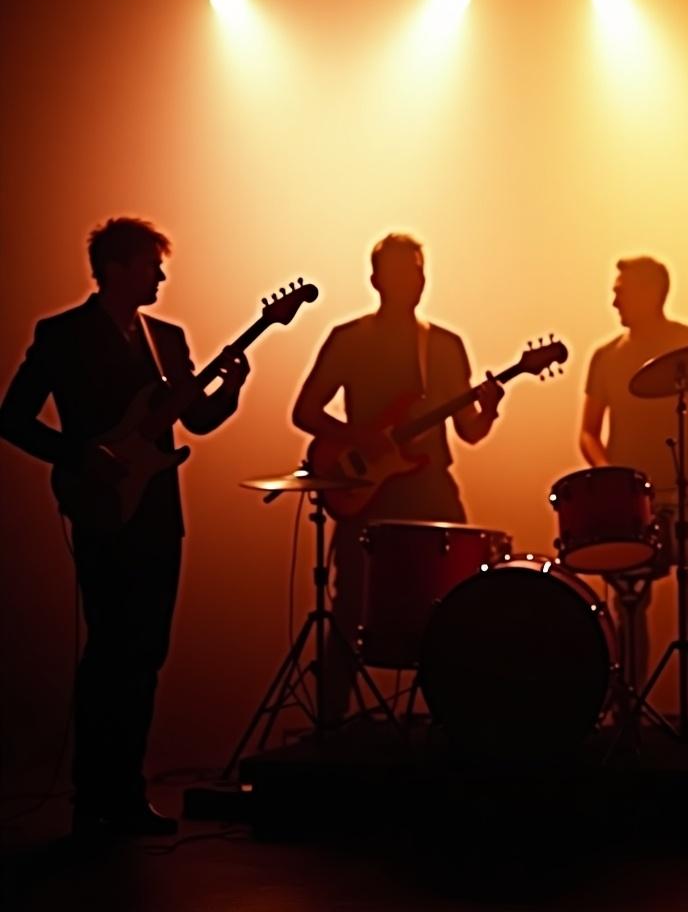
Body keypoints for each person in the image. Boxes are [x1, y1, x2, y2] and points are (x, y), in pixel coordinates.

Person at [0, 217, 250, 837]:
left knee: (147, 654)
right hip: (102, 506)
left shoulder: (168, 339)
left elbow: (194, 422)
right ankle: (93, 796)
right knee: (109, 651)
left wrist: (233, 391)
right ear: (114, 268)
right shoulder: (62, 335)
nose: (160, 275)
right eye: (149, 264)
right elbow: (13, 418)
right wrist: (81, 455)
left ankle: (128, 791)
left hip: (159, 513)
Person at [292, 232, 503, 713]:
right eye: (404, 272)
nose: (416, 281)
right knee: (351, 607)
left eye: (419, 271)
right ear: (375, 279)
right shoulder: (348, 339)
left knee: (456, 601)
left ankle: (453, 720)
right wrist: (357, 436)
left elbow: (469, 432)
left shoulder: (444, 346)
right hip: (366, 492)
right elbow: (305, 410)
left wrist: (489, 409)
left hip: (430, 488)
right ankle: (331, 726)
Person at [579, 256, 688, 700]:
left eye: (621, 290)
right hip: (633, 502)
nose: (613, 299)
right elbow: (587, 431)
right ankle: (628, 704)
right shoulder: (605, 356)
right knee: (629, 607)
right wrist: (609, 477)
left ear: (652, 292)